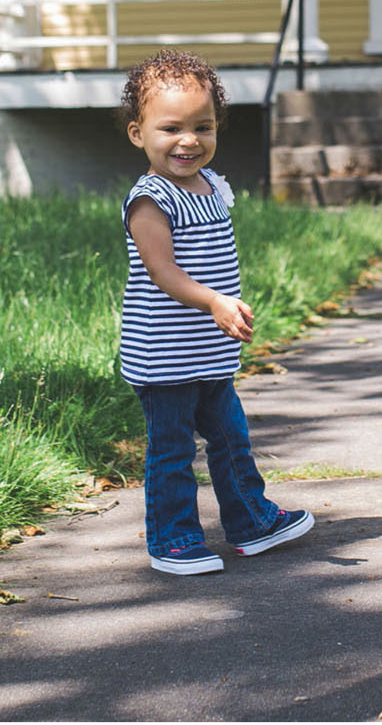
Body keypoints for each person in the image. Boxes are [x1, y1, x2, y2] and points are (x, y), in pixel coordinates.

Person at [118, 46, 315, 574]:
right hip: (164, 354)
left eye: (203, 127)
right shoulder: (150, 200)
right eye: (171, 129)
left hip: (209, 350)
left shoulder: (212, 187)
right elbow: (163, 273)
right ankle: (173, 539)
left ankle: (250, 521)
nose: (189, 141)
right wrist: (215, 302)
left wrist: (221, 312)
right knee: (173, 451)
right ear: (139, 133)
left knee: (231, 439)